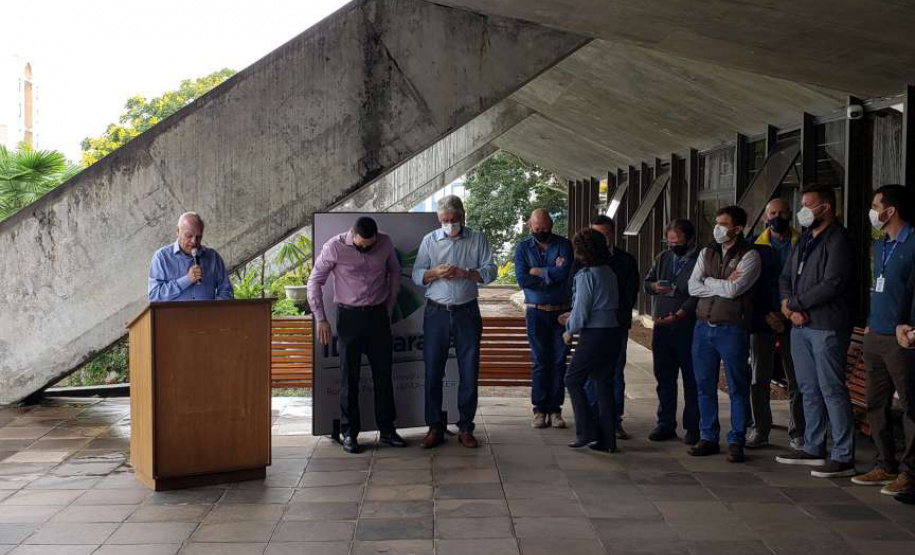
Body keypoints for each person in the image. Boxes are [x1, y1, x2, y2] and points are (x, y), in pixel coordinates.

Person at [775, 184, 857, 478]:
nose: (803, 211)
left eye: (808, 205)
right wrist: (788, 307)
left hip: (827, 326)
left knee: (831, 389)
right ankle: (813, 446)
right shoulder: (805, 239)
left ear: (826, 207)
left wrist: (795, 304)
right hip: (799, 326)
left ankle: (843, 455)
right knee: (808, 388)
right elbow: (786, 276)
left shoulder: (839, 240)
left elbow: (833, 283)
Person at [307, 217, 406, 454]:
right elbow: (314, 281)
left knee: (383, 374)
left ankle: (387, 430)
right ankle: (349, 433)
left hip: (378, 316)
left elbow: (395, 271)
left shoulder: (385, 242)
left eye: (370, 246)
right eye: (362, 246)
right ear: (353, 235)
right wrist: (320, 318)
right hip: (349, 317)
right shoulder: (335, 246)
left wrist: (390, 304)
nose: (366, 249)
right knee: (348, 377)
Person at [412, 195, 496, 449]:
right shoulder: (429, 240)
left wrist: (465, 273)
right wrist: (434, 272)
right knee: (433, 371)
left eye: (453, 220)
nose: (449, 225)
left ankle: (466, 427)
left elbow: (491, 271)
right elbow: (416, 274)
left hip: (467, 312)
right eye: (444, 221)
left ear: (463, 216)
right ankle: (434, 427)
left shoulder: (478, 239)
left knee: (469, 371)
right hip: (436, 313)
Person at [852, 185, 915, 495]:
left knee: (911, 406)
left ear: (891, 211)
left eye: (876, 206)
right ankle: (885, 463)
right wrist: (868, 324)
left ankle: (910, 472)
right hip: (875, 334)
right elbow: (876, 287)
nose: (873, 212)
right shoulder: (880, 244)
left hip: (902, 338)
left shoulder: (913, 242)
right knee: (876, 404)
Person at [688, 205, 761, 463]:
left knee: (737, 387)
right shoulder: (707, 251)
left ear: (738, 229)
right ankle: (708, 436)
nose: (717, 228)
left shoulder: (750, 255)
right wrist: (720, 283)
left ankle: (736, 439)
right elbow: (692, 286)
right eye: (717, 223)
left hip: (732, 329)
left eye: (724, 224)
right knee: (704, 385)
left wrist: (708, 281)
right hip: (702, 327)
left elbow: (734, 291)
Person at [747, 198, 802, 450]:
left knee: (797, 379)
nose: (777, 217)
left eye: (782, 213)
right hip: (763, 320)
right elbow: (750, 286)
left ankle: (798, 431)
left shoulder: (802, 242)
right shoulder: (754, 246)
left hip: (795, 319)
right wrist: (766, 314)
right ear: (765, 217)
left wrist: (788, 312)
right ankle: (760, 429)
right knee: (759, 378)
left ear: (790, 214)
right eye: (772, 213)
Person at [561, 228, 622, 453]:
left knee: (572, 379)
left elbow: (582, 310)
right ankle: (608, 439)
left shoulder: (586, 275)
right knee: (603, 383)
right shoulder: (608, 272)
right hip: (612, 331)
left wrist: (569, 330)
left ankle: (586, 431)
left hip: (594, 334)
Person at [514, 209, 573, 429]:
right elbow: (523, 280)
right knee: (540, 361)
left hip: (562, 313)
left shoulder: (564, 245)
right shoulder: (522, 248)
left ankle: (555, 410)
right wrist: (551, 273)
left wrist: (537, 271)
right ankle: (539, 410)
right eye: (537, 228)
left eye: (545, 228)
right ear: (530, 226)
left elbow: (565, 274)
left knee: (559, 361)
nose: (541, 231)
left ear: (552, 225)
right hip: (536, 311)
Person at [643, 219, 700, 445]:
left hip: (688, 326)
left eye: (677, 242)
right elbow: (647, 282)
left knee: (691, 378)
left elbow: (699, 293)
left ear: (690, 239)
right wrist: (653, 286)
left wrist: (681, 313)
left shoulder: (701, 258)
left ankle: (693, 426)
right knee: (664, 378)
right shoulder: (663, 257)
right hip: (662, 325)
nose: (673, 245)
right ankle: (665, 423)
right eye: (669, 241)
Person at [589, 216, 640, 439]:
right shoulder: (583, 259)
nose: (600, 239)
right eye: (596, 235)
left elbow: (630, 295)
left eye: (604, 234)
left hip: (616, 326)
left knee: (615, 373)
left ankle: (614, 420)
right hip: (591, 327)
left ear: (613, 234)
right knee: (591, 373)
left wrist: (612, 317)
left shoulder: (625, 260)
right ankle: (591, 418)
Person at [149, 212, 234, 301]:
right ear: (177, 231)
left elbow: (226, 291)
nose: (194, 241)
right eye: (189, 236)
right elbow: (154, 296)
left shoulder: (213, 257)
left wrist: (214, 308)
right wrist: (187, 280)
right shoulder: (161, 257)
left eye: (198, 237)